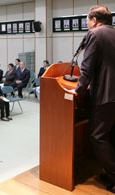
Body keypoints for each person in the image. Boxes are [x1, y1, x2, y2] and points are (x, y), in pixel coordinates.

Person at [70, 5, 115, 193]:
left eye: (87, 20)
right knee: (110, 134)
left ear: (95, 20)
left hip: (105, 95)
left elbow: (87, 67)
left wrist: (78, 90)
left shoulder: (95, 34)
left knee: (96, 135)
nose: (87, 24)